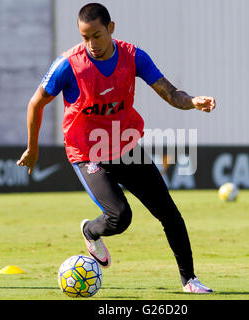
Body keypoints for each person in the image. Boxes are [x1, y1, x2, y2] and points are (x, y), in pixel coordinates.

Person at [17, 3, 215, 293]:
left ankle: (190, 280)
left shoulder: (134, 57)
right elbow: (36, 103)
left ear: (110, 28)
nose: (91, 44)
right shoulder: (68, 65)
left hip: (125, 147)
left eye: (96, 35)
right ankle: (90, 230)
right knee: (120, 217)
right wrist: (32, 148)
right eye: (85, 37)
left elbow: (170, 93)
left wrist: (192, 101)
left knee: (169, 213)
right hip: (87, 153)